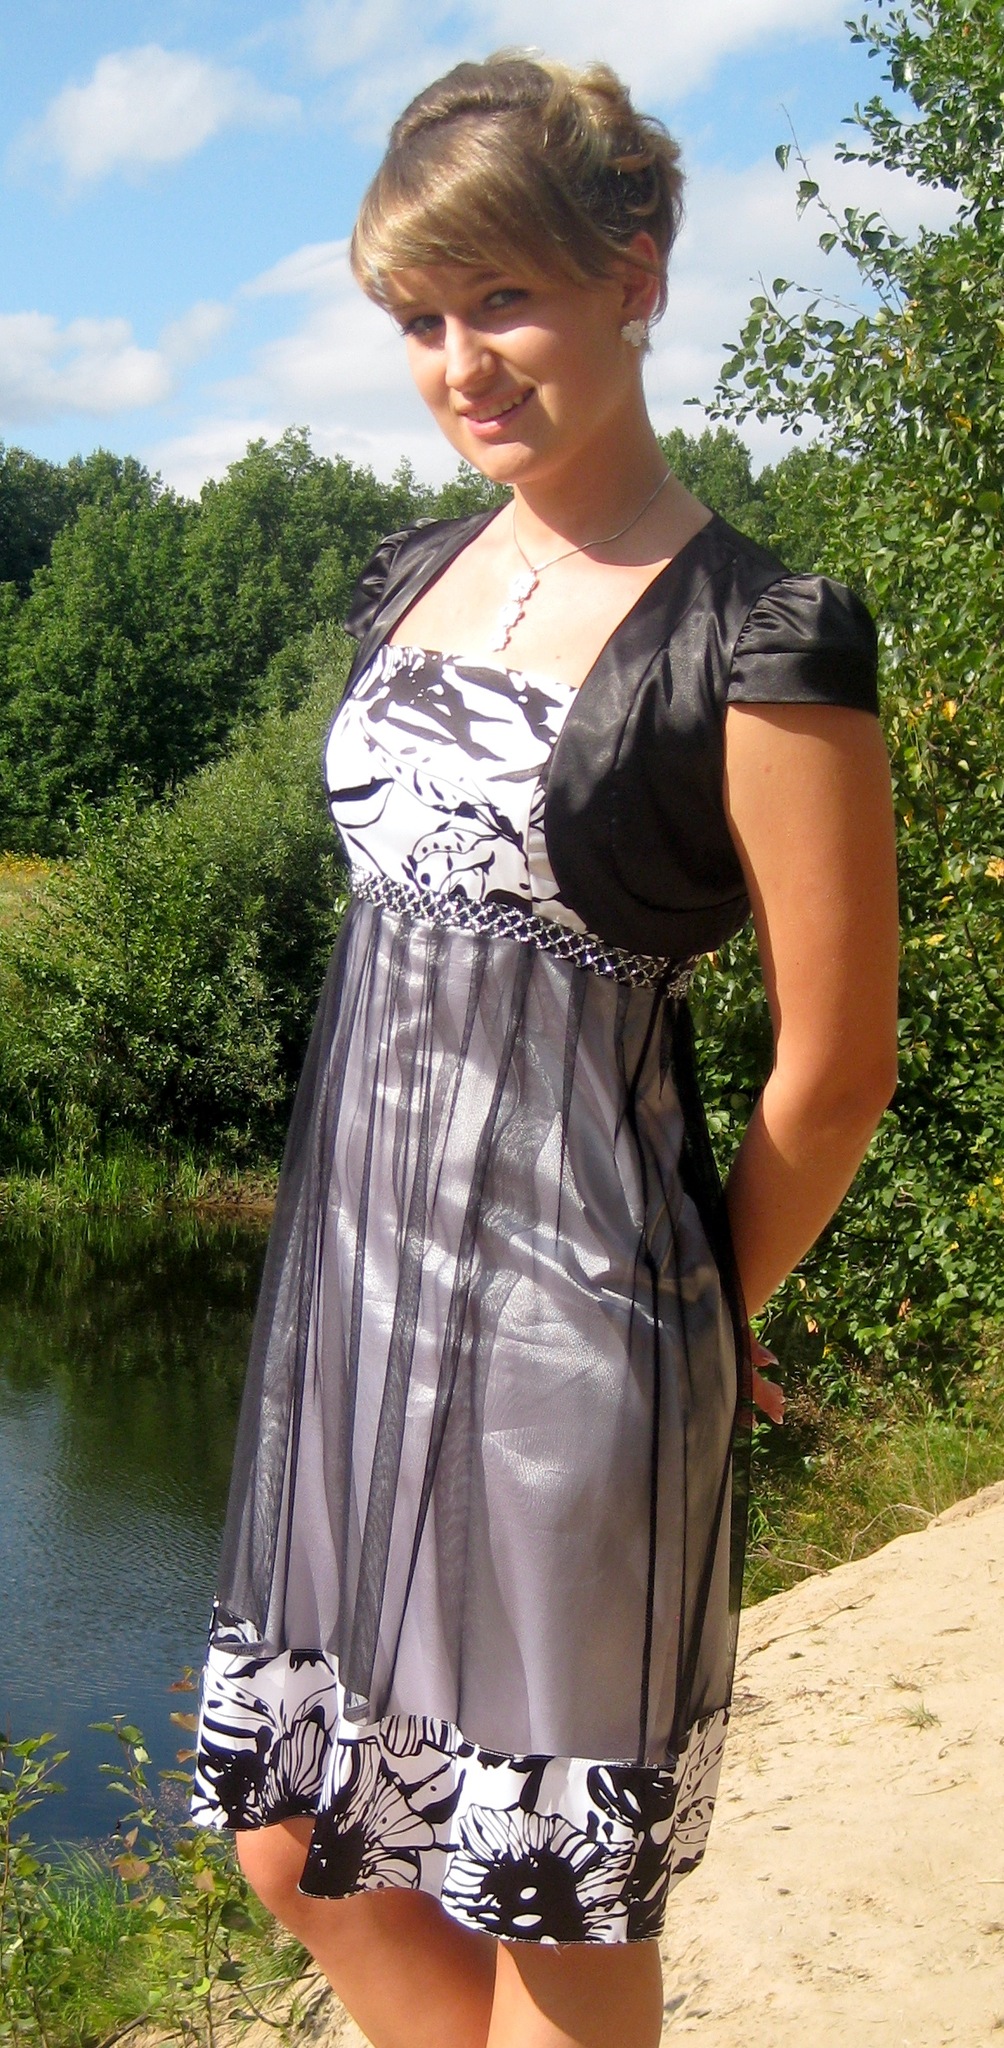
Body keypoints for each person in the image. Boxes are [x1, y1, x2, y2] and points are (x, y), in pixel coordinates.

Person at [191, 51, 899, 2048]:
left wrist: (697, 1317)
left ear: (633, 279)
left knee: (545, 1906)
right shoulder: (410, 576)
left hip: (572, 1347)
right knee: (296, 1844)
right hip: (356, 1323)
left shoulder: (759, 638)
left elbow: (837, 1065)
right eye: (419, 320)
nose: (459, 363)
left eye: (500, 298)